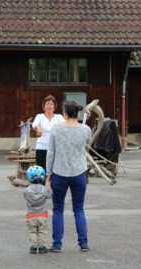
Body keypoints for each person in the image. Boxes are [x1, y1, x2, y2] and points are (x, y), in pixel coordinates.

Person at [46, 100, 91, 252]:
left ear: (64, 112)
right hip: (79, 172)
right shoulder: (85, 129)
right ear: (77, 113)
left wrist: (48, 174)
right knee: (79, 209)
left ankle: (57, 244)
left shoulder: (56, 129)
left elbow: (50, 152)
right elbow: (89, 143)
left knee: (58, 209)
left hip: (60, 172)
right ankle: (83, 243)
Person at [24, 165, 52, 254]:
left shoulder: (26, 191)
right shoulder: (45, 190)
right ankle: (41, 246)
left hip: (31, 215)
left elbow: (26, 197)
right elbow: (50, 196)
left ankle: (33, 246)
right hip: (42, 215)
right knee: (42, 231)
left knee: (32, 231)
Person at [32, 95, 65, 169]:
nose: (49, 106)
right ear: (44, 106)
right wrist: (38, 127)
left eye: (51, 104)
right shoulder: (39, 116)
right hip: (41, 146)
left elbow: (66, 125)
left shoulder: (59, 117)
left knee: (55, 169)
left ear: (54, 106)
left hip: (55, 146)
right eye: (47, 104)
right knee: (41, 169)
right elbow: (34, 124)